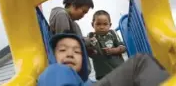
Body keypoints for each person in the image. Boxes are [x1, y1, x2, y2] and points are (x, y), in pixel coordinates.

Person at [38, 33, 170, 86]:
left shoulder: (86, 81)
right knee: (140, 61)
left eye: (77, 51)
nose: (70, 54)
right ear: (52, 56)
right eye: (62, 50)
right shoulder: (53, 72)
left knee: (141, 61)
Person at [49, 0, 94, 74]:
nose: (83, 15)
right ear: (74, 4)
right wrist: (87, 41)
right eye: (83, 11)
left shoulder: (73, 23)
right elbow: (65, 42)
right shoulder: (61, 15)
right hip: (71, 71)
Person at [87, 10, 126, 80]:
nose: (102, 27)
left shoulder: (112, 33)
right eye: (98, 24)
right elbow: (89, 51)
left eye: (105, 24)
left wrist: (114, 50)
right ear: (92, 24)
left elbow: (123, 47)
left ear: (110, 25)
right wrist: (92, 51)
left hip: (119, 70)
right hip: (102, 74)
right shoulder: (90, 36)